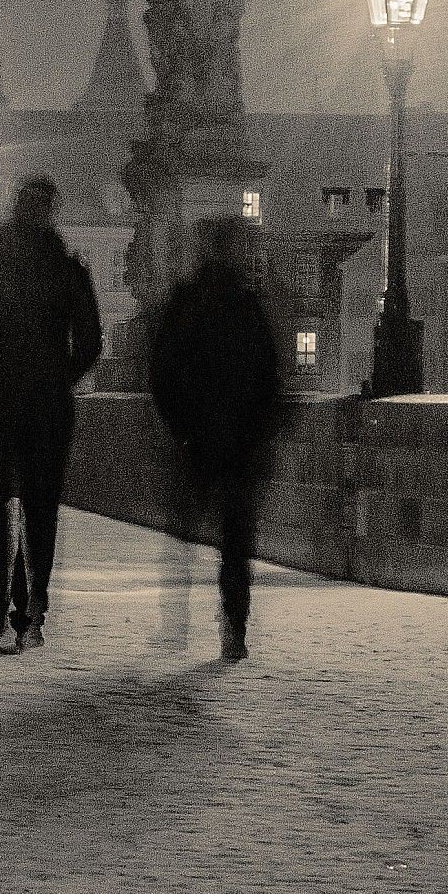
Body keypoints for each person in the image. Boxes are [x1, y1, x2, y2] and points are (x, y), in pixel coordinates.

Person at [0, 175, 104, 654]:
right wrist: (60, 378)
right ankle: (31, 611)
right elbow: (91, 343)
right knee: (40, 508)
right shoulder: (68, 270)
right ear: (50, 213)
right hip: (48, 405)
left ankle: (2, 606)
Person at [149, 216, 283, 661]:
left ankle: (177, 619)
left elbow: (162, 372)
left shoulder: (186, 302)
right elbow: (270, 377)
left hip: (197, 436)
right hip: (239, 441)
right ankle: (234, 627)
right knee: (235, 542)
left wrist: (180, 425)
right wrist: (260, 431)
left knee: (185, 532)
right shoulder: (248, 305)